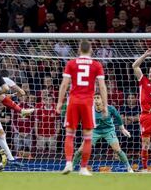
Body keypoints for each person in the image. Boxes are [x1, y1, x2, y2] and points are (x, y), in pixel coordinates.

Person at [56, 40, 108, 176]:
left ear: (79, 50)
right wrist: (105, 106)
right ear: (91, 50)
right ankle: (83, 168)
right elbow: (102, 87)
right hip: (88, 103)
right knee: (88, 137)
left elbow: (64, 85)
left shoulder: (71, 63)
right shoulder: (96, 65)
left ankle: (68, 163)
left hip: (73, 101)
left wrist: (59, 102)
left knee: (69, 134)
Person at [72, 94, 133, 172]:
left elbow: (117, 116)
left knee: (117, 149)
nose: (96, 100)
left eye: (98, 98)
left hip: (109, 130)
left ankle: (129, 167)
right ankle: (72, 166)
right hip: (95, 131)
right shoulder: (90, 109)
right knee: (81, 150)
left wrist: (122, 129)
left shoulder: (109, 108)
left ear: (102, 99)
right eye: (94, 98)